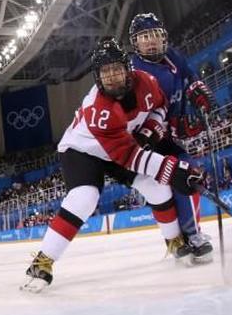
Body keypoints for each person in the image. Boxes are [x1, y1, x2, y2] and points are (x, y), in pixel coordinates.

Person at [23, 38, 204, 292]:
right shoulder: (99, 109)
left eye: (116, 68)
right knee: (84, 197)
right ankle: (42, 262)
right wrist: (174, 171)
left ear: (128, 68)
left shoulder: (147, 82)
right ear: (97, 77)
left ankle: (174, 241)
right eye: (105, 72)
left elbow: (160, 106)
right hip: (82, 150)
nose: (112, 76)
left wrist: (152, 127)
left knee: (156, 187)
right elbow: (130, 157)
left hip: (121, 144)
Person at [128, 13, 215, 263]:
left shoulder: (173, 56)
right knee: (166, 184)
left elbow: (190, 77)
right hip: (143, 139)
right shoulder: (136, 71)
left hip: (165, 133)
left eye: (155, 35)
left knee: (189, 171)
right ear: (136, 43)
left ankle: (193, 234)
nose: (151, 41)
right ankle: (176, 240)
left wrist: (197, 90)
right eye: (145, 37)